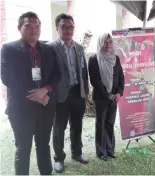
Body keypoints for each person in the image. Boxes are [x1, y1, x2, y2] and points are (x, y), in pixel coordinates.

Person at [0, 11, 60, 175]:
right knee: (23, 148)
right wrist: (36, 96)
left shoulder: (48, 49)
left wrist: (45, 90)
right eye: (28, 26)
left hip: (46, 107)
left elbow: (57, 74)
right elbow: (8, 79)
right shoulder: (9, 49)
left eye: (37, 26)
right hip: (21, 109)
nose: (34, 29)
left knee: (43, 145)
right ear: (20, 27)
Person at [47, 13, 89, 173]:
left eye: (71, 27)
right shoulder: (50, 48)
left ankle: (77, 153)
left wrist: (86, 91)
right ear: (57, 28)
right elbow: (48, 74)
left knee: (77, 125)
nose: (68, 30)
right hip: (59, 96)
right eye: (64, 27)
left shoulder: (79, 47)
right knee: (59, 128)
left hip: (77, 93)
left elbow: (84, 71)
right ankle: (58, 158)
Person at [88, 33, 124, 161]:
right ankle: (101, 151)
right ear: (100, 43)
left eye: (110, 42)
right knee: (100, 124)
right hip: (102, 98)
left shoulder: (116, 58)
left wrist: (119, 93)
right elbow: (95, 81)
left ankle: (110, 149)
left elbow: (120, 77)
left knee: (110, 123)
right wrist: (108, 95)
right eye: (105, 42)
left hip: (114, 98)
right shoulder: (94, 59)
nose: (108, 44)